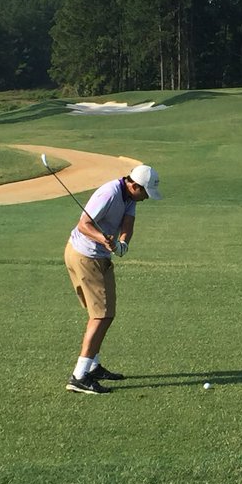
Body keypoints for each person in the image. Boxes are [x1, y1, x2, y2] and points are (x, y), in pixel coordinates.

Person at [63, 163, 162, 395]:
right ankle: (79, 376)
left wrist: (123, 243)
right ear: (135, 185)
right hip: (87, 256)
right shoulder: (109, 193)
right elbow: (84, 224)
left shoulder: (130, 197)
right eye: (145, 192)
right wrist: (103, 238)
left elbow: (128, 222)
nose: (146, 198)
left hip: (89, 255)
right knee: (102, 315)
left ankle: (93, 366)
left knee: (99, 314)